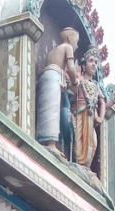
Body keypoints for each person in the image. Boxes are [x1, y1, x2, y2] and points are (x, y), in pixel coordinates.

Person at [36, 28, 80, 158]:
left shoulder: (52, 52)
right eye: (76, 41)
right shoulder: (67, 47)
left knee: (46, 108)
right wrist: (75, 81)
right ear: (70, 38)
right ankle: (51, 144)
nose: (77, 45)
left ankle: (43, 138)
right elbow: (71, 68)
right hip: (54, 77)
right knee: (53, 110)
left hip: (46, 77)